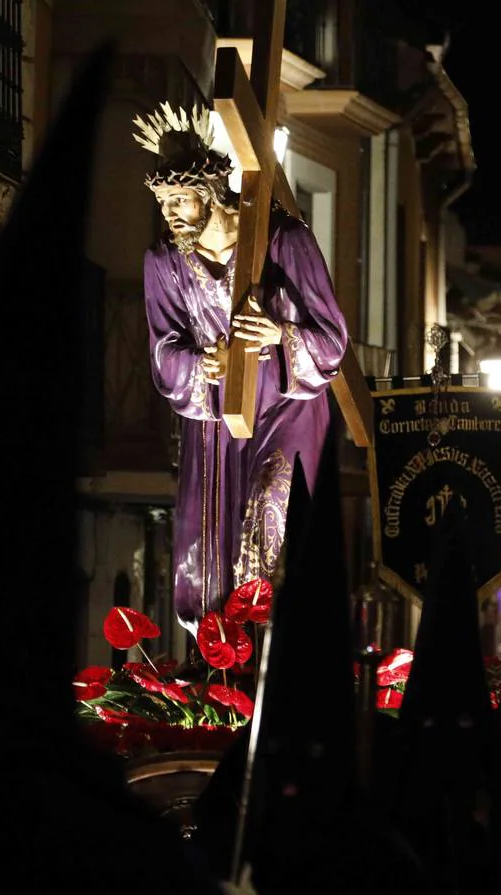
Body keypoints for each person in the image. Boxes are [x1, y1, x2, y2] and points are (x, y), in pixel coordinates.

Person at [133, 104, 348, 631]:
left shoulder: (283, 240)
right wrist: (201, 362)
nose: (170, 213)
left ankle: (279, 651)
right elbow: (164, 348)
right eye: (163, 202)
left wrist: (280, 335)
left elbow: (332, 337)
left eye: (179, 199)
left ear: (209, 191)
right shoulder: (163, 261)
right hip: (215, 416)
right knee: (214, 547)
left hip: (287, 405)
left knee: (269, 522)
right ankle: (223, 663)